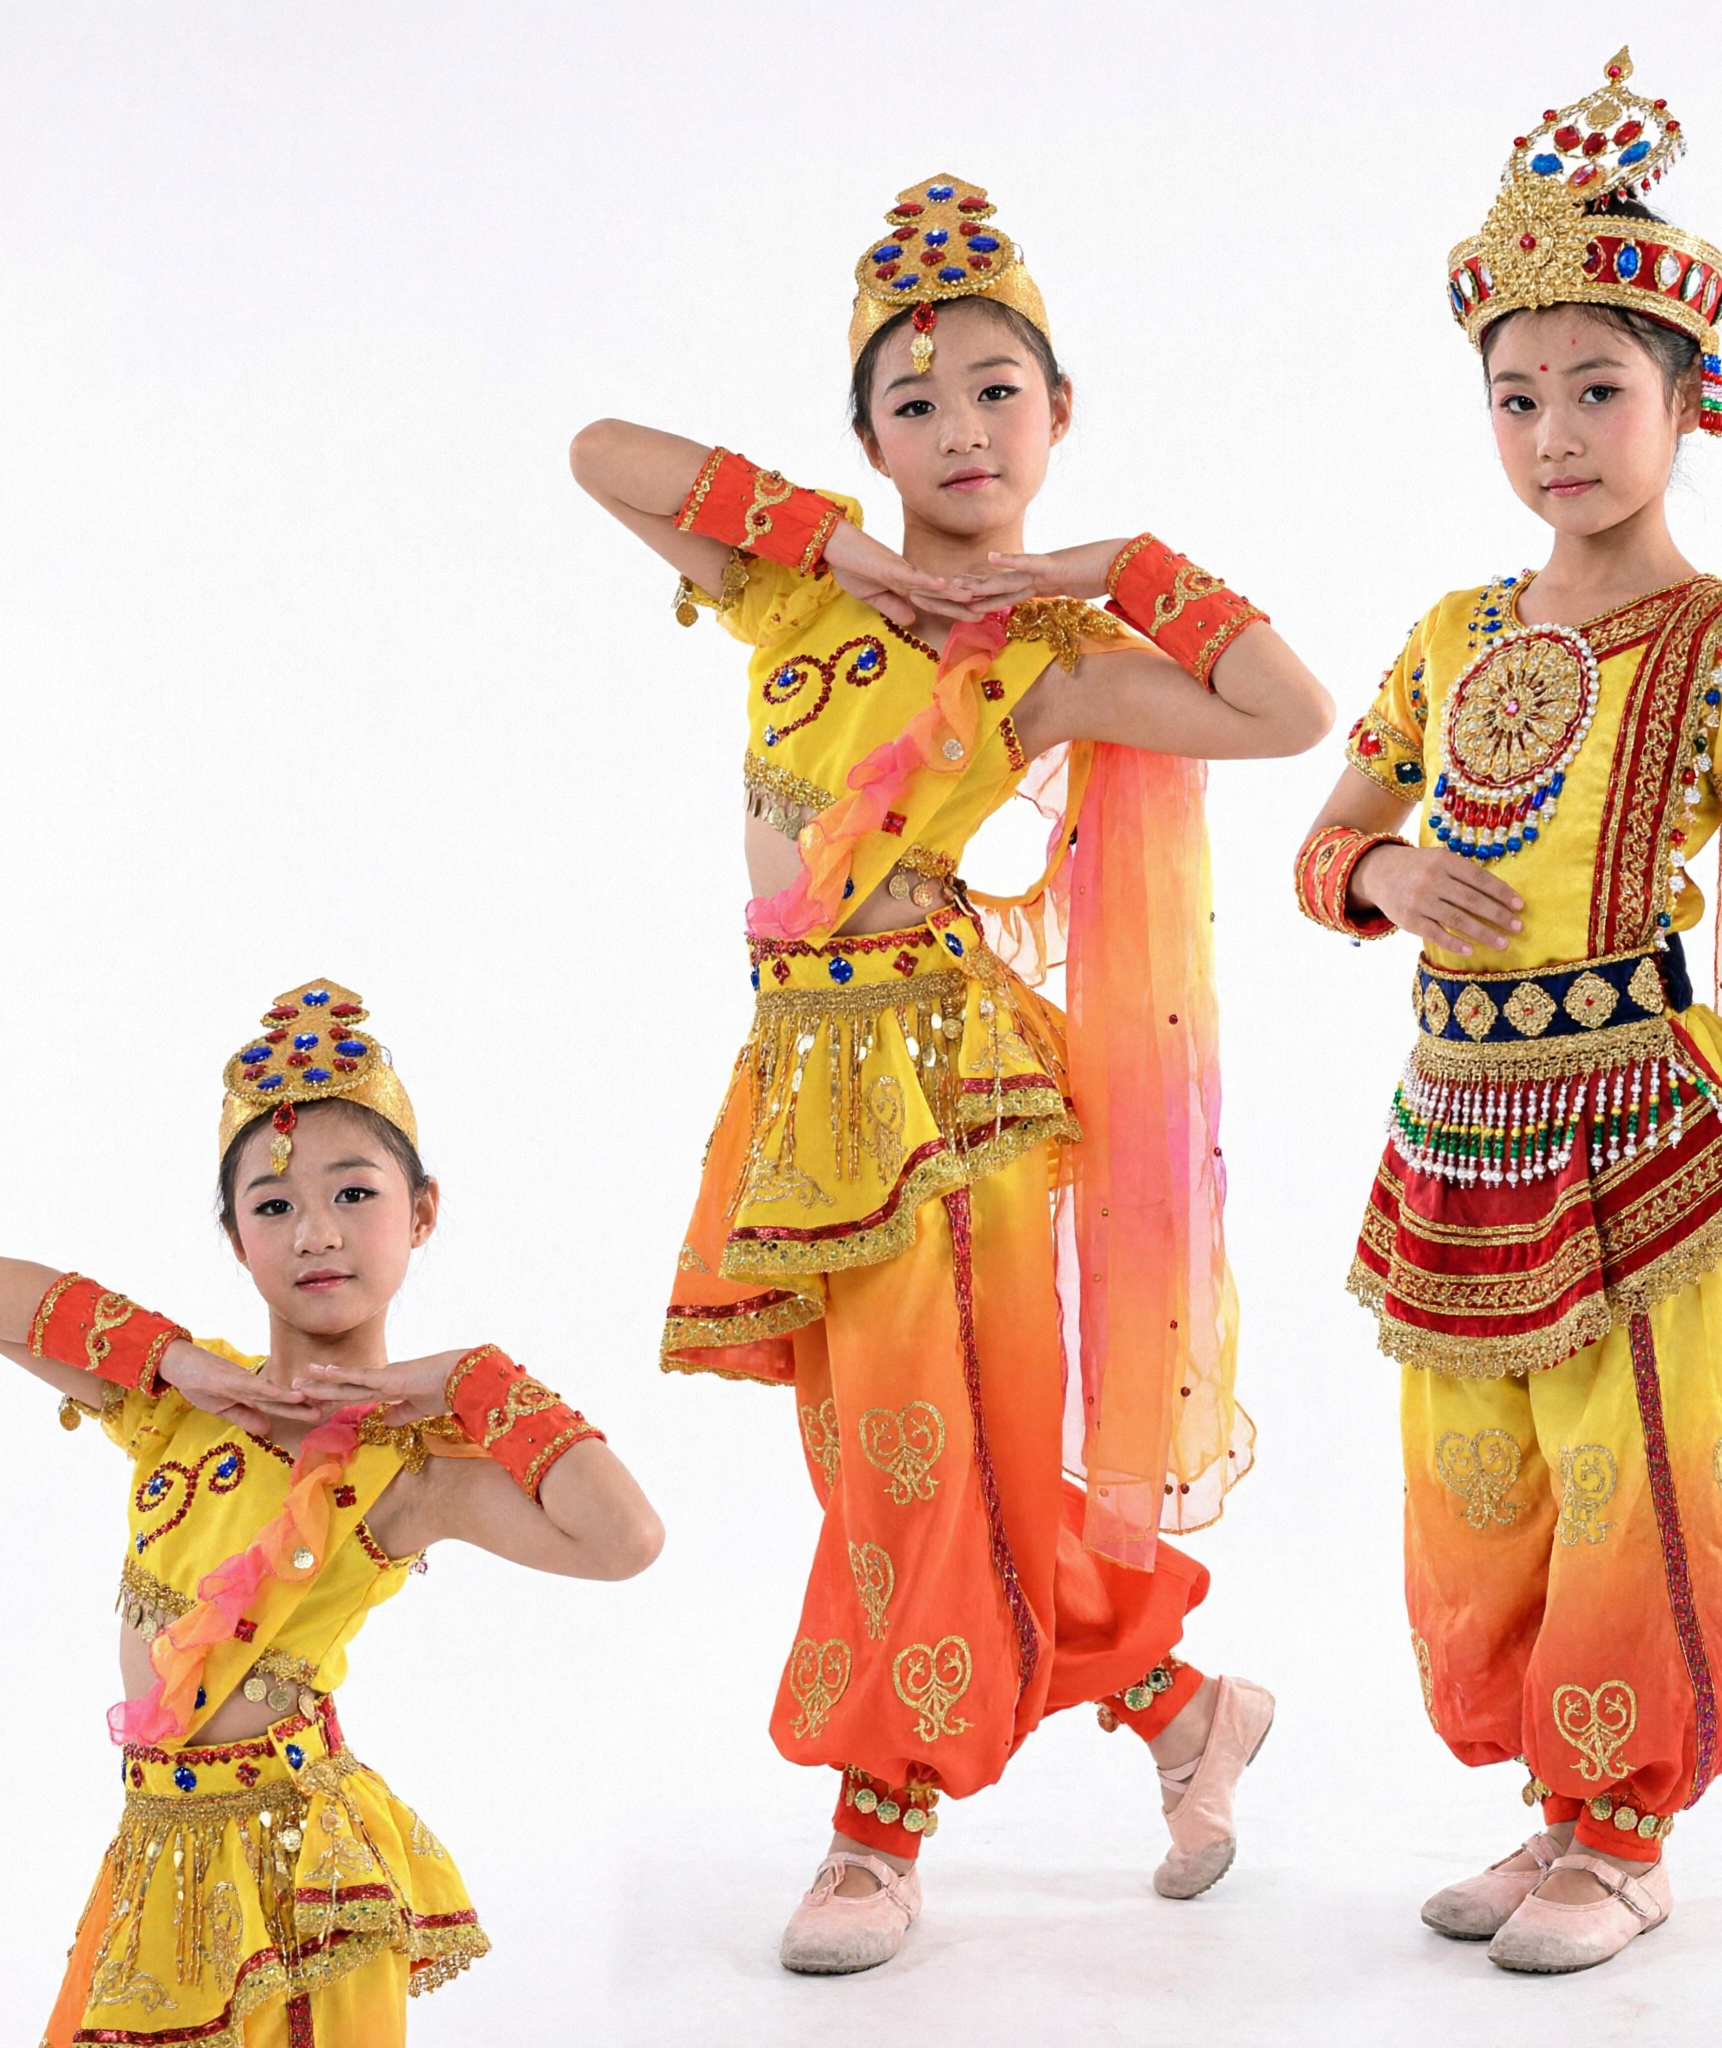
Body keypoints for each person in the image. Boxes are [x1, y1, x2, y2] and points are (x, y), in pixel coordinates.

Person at [569, 174, 1334, 1973]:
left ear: (1058, 413)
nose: (962, 427)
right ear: (867, 440)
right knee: (890, 1461)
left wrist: (1110, 569)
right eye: (913, 400)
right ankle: (1178, 1705)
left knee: (921, 1460)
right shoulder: (784, 588)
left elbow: (1287, 711)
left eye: (999, 388)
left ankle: (877, 1823)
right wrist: (837, 550)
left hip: (946, 1084)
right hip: (794, 1075)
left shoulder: (1052, 665)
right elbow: (602, 454)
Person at [1294, 50, 1722, 1975]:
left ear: (1682, 398)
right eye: (1515, 395)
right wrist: (1383, 878)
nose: (1551, 432)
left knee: (1624, 1480)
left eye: (1594, 389)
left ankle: (1623, 1826)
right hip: (1454, 1132)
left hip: (1645, 1136)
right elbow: (1325, 842)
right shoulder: (1451, 636)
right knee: (1477, 1490)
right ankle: (1553, 1802)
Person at [0, 977, 664, 2046]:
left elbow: (624, 1539)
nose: (316, 1232)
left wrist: (470, 1378)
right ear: (236, 1239)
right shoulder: (173, 1408)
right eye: (272, 1205)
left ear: (422, 1212)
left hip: (301, 1875)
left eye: (355, 1193)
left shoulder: (412, 1473)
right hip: (154, 1844)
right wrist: (171, 1359)